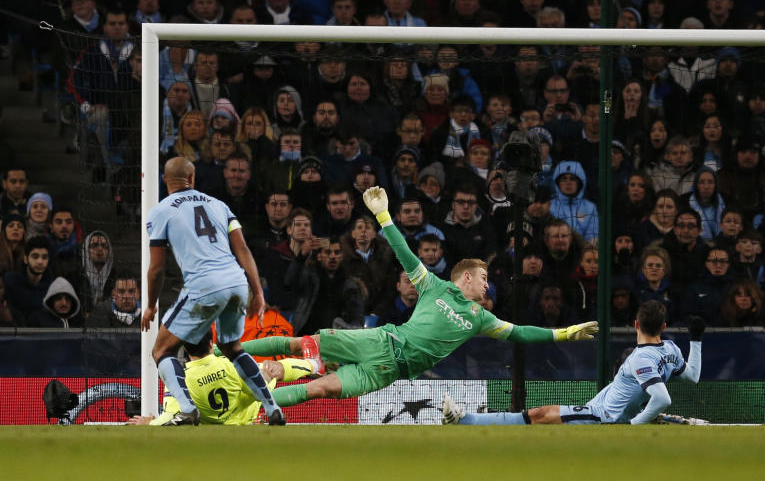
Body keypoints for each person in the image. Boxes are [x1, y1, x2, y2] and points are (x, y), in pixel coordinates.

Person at [229, 186, 597, 403]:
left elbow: (518, 333)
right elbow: (405, 254)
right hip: (379, 343)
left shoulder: (480, 317)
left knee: (320, 389)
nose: (487, 285)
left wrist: (562, 333)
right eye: (483, 278)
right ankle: (221, 353)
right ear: (465, 277)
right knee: (297, 346)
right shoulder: (434, 286)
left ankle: (252, 406)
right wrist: (384, 216)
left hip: (391, 372)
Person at [143, 157, 285, 425]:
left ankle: (187, 409)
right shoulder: (219, 205)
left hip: (204, 284)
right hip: (236, 282)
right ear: (193, 178)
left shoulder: (160, 211)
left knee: (161, 351)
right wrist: (258, 292)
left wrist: (150, 305)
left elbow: (157, 268)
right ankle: (272, 407)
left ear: (165, 180)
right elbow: (242, 248)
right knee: (232, 347)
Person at [443, 300, 703, 425]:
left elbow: (662, 397)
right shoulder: (670, 348)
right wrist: (696, 340)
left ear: (635, 324)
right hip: (598, 409)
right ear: (664, 326)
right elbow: (692, 376)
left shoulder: (642, 358)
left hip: (602, 417)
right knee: (542, 422)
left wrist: (635, 425)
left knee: (539, 414)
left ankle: (465, 420)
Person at [129, 329, 321, 426]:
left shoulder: (179, 380)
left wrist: (148, 423)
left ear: (185, 349)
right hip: (251, 418)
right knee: (270, 369)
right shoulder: (229, 365)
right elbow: (255, 392)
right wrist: (265, 375)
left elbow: (170, 416)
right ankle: (313, 365)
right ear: (212, 344)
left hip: (214, 430)